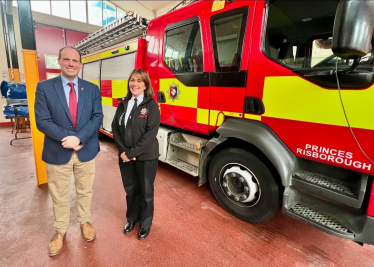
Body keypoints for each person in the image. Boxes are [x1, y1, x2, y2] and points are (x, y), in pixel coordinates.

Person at [34, 46, 103, 256]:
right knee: (59, 195)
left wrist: (79, 138)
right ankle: (60, 230)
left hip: (86, 150)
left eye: (75, 60)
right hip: (58, 151)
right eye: (67, 60)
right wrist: (69, 138)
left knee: (85, 191)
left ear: (80, 64)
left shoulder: (91, 89)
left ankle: (84, 222)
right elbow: (42, 121)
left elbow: (97, 118)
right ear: (59, 61)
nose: (71, 64)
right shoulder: (44, 87)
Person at [112, 69, 160, 240]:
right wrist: (124, 151)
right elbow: (115, 129)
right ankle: (132, 219)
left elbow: (150, 134)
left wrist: (132, 152)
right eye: (132, 80)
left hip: (146, 158)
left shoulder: (151, 106)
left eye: (139, 81)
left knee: (146, 192)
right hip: (126, 157)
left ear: (145, 84)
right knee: (131, 190)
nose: (135, 84)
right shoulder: (123, 103)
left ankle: (145, 225)